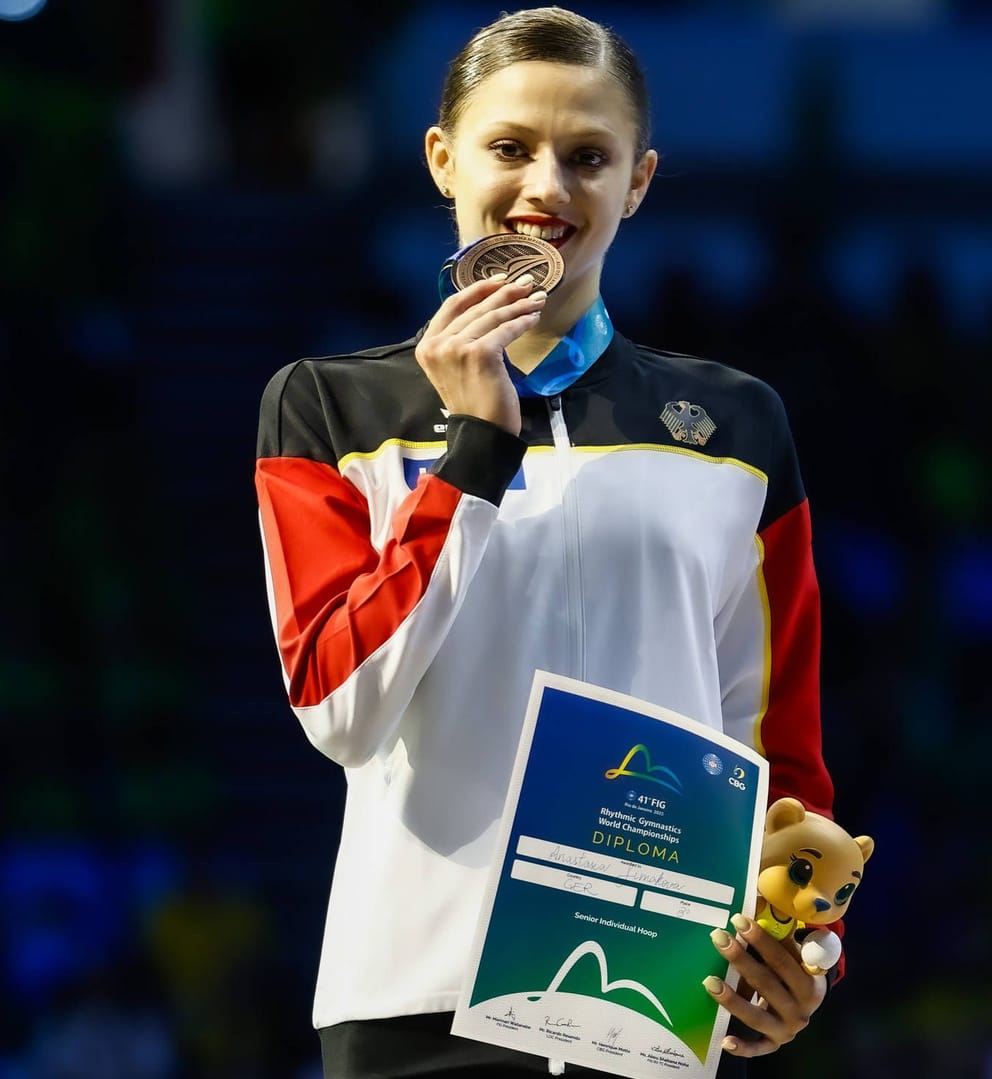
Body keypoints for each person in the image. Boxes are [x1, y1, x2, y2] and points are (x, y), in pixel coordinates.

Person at [252, 8, 843, 1076]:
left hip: (655, 997)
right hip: (415, 1001)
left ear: (640, 180)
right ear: (443, 160)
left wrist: (805, 942)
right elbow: (341, 708)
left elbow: (776, 747)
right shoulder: (326, 409)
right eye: (510, 147)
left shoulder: (738, 425)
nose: (548, 188)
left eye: (588, 157)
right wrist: (475, 446)